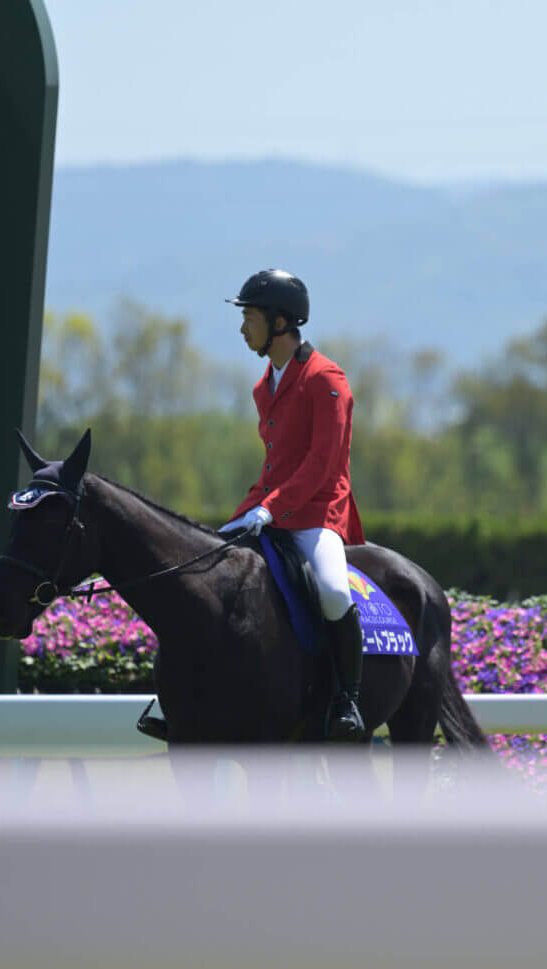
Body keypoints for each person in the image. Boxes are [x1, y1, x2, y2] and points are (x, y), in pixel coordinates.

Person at [219, 268, 368, 741]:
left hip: (317, 513)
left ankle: (347, 701)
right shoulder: (265, 387)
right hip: (272, 510)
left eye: (250, 317)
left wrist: (272, 508)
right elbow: (272, 468)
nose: (243, 329)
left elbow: (322, 465)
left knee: (332, 591)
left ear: (280, 322)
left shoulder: (327, 380)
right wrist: (238, 517)